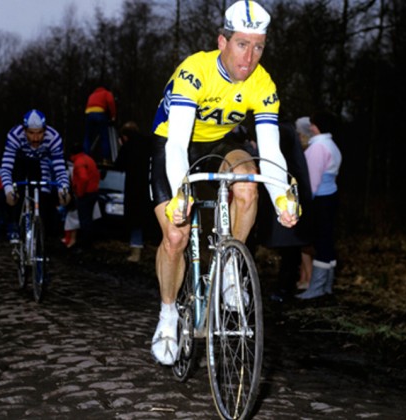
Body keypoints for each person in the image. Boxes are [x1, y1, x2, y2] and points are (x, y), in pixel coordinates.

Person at [149, 0, 298, 365]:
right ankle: (169, 313)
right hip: (173, 142)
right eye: (242, 45)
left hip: (220, 141)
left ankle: (230, 265)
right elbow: (179, 144)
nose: (250, 58)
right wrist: (181, 195)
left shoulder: (263, 83)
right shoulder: (194, 72)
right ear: (222, 42)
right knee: (175, 235)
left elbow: (271, 151)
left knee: (248, 182)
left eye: (259, 46)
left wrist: (282, 198)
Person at [252, 121, 313, 301]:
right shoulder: (286, 131)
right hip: (286, 189)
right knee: (290, 248)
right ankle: (284, 287)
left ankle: (284, 289)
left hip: (285, 190)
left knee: (289, 248)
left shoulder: (279, 130)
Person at [0, 109, 70, 244]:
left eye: (40, 133)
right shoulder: (15, 135)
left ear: (45, 130)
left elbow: (60, 168)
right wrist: (8, 190)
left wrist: (63, 189)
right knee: (16, 189)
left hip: (40, 161)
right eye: (31, 133)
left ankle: (40, 228)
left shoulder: (54, 137)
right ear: (24, 130)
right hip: (20, 160)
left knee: (43, 191)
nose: (35, 138)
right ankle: (14, 223)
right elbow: (7, 167)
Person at [296, 110, 342, 300]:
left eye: (313, 124)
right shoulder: (331, 145)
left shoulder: (318, 147)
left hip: (320, 200)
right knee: (327, 242)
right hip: (330, 197)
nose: (310, 127)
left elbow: (312, 181)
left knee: (321, 243)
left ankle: (316, 288)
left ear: (317, 126)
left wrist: (304, 203)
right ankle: (326, 286)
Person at [115, 121, 152, 262]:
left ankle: (135, 252)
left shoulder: (128, 146)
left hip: (133, 187)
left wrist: (122, 146)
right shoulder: (149, 143)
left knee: (135, 220)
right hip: (150, 186)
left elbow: (119, 164)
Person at [294, 116, 316, 290]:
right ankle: (304, 277)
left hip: (309, 200)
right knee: (303, 243)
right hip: (306, 199)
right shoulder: (304, 150)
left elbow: (311, 180)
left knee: (307, 243)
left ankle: (309, 279)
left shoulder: (311, 151)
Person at [67, 142, 100, 251]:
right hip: (93, 192)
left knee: (84, 220)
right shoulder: (88, 159)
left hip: (85, 194)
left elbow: (83, 178)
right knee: (88, 219)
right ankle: (89, 243)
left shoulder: (79, 162)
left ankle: (85, 245)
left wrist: (79, 193)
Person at [83, 85, 117, 164]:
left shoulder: (92, 95)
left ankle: (85, 157)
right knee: (104, 136)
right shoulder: (106, 93)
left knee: (88, 137)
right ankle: (105, 159)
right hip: (100, 113)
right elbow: (111, 103)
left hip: (89, 114)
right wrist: (113, 116)